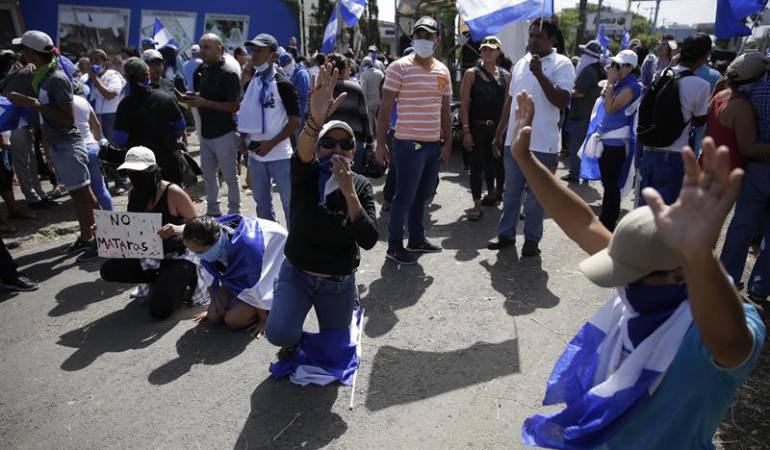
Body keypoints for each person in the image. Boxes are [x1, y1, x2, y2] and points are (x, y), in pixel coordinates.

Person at [508, 90, 765, 449]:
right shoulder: (649, 269)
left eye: (629, 274)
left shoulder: (715, 330)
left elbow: (733, 344)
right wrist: (526, 158)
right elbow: (582, 223)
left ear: (680, 274)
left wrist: (699, 256)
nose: (621, 284)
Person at [264, 64, 378, 366]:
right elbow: (302, 150)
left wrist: (349, 191)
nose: (336, 149)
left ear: (354, 152)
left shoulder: (361, 185)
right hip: (299, 273)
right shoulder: (307, 172)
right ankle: (293, 332)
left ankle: (342, 313)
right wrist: (315, 121)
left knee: (335, 352)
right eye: (328, 143)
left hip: (337, 280)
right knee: (279, 333)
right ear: (318, 148)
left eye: (345, 144)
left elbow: (368, 240)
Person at [8, 30, 99, 261]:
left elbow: (68, 118)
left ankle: (100, 238)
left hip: (68, 143)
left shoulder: (55, 78)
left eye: (24, 50)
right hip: (60, 143)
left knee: (84, 196)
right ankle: (87, 236)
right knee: (79, 196)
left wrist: (34, 104)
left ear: (31, 52)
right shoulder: (43, 75)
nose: (21, 54)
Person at [487, 18, 575, 257]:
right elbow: (510, 101)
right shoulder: (521, 63)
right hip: (514, 142)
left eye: (539, 36)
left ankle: (532, 240)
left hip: (543, 143)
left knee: (536, 196)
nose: (533, 39)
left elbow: (562, 101)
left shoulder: (562, 64)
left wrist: (540, 75)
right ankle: (506, 234)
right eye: (531, 35)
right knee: (511, 191)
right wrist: (499, 134)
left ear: (552, 40)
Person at [376, 16, 452, 265]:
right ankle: (395, 246)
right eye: (419, 35)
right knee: (404, 196)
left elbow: (444, 109)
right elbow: (385, 108)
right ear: (413, 38)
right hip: (408, 144)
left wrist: (448, 141)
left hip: (432, 145)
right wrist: (379, 143)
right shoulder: (398, 67)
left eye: (428, 35)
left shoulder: (443, 70)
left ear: (437, 40)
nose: (423, 39)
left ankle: (417, 239)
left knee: (423, 195)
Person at [99, 146, 198, 320]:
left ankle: (185, 282)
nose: (136, 177)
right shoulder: (134, 194)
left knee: (159, 311)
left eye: (141, 173)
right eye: (131, 172)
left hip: (179, 256)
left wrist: (177, 229)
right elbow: (131, 230)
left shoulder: (173, 193)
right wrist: (104, 231)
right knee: (109, 269)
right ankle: (156, 281)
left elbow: (199, 226)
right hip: (150, 256)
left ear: (153, 171)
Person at [175, 214, 287, 334]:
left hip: (274, 256)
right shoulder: (206, 234)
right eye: (192, 251)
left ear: (215, 242)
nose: (197, 255)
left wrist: (264, 320)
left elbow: (255, 283)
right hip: (247, 274)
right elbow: (208, 275)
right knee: (214, 316)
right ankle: (242, 301)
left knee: (232, 320)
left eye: (200, 252)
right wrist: (211, 308)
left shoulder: (247, 247)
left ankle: (268, 310)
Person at [718, 53, 770, 302]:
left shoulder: (749, 93)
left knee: (741, 226)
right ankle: (760, 288)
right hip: (757, 160)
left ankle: (726, 279)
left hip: (756, 168)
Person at [637, 34, 712, 207]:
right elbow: (700, 121)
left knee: (644, 210)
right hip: (674, 154)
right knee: (665, 212)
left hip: (648, 150)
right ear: (704, 57)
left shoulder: (661, 74)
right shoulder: (701, 85)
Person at [237, 33, 300, 224]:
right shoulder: (251, 83)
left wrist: (271, 144)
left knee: (290, 204)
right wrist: (242, 138)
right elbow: (247, 114)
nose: (253, 55)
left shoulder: (283, 84)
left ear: (273, 55)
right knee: (262, 205)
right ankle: (272, 243)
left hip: (280, 155)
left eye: (259, 51)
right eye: (252, 50)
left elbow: (295, 121)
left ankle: (294, 247)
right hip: (256, 156)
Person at [184, 33, 242, 217]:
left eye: (207, 47)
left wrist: (204, 102)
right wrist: (189, 99)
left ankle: (234, 213)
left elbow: (234, 106)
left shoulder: (229, 74)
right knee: (208, 176)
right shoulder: (201, 71)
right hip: (205, 133)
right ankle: (213, 211)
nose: (202, 51)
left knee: (230, 177)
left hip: (224, 133)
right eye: (201, 47)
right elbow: (203, 97)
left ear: (220, 49)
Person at [112, 58, 187, 185]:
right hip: (168, 161)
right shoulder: (164, 97)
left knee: (149, 202)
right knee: (173, 198)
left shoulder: (124, 105)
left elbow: (119, 139)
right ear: (147, 75)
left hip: (140, 166)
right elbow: (181, 125)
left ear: (127, 77)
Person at [460, 36, 510, 221]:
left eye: (491, 49)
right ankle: (477, 204)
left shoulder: (506, 75)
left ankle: (494, 194)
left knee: (498, 165)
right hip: (477, 127)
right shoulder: (471, 74)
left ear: (498, 52)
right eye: (484, 49)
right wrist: (466, 131)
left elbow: (507, 105)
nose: (486, 52)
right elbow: (464, 104)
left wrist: (504, 130)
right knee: (476, 165)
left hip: (497, 129)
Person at [593, 50, 642, 230]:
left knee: (611, 184)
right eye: (614, 65)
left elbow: (610, 108)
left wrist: (611, 83)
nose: (615, 69)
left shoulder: (631, 87)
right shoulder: (621, 83)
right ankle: (606, 217)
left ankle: (608, 221)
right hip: (607, 141)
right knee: (607, 183)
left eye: (619, 66)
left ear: (630, 68)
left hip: (617, 144)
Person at [0, 49, 53, 208]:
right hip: (16, 125)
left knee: (29, 162)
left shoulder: (14, 75)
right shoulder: (28, 73)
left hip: (20, 125)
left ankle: (37, 194)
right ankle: (33, 196)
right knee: (24, 163)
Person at [563, 40, 605, 183]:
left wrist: (567, 91)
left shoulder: (588, 71)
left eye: (583, 53)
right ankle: (584, 174)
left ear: (588, 55)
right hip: (592, 114)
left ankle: (575, 173)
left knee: (576, 145)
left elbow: (579, 92)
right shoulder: (600, 69)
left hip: (581, 114)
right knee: (587, 147)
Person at [329, 53, 373, 174]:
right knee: (355, 180)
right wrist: (369, 141)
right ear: (344, 70)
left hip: (326, 143)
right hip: (353, 143)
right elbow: (364, 116)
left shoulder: (322, 88)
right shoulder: (355, 88)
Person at [72, 84, 113, 210]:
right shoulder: (82, 100)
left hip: (75, 148)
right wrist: (95, 141)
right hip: (92, 146)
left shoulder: (56, 103)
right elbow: (96, 124)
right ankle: (111, 219)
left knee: (83, 192)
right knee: (100, 188)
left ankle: (94, 221)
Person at [277, 52, 310, 125]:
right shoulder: (293, 73)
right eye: (282, 65)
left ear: (290, 62)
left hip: (300, 115)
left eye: (285, 65)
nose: (283, 67)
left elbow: (302, 94)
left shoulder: (302, 75)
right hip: (293, 115)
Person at [359, 55, 384, 136]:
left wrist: (363, 104)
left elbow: (363, 91)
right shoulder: (380, 73)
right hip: (379, 102)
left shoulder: (364, 75)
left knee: (370, 123)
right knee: (378, 122)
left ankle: (371, 141)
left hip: (368, 103)